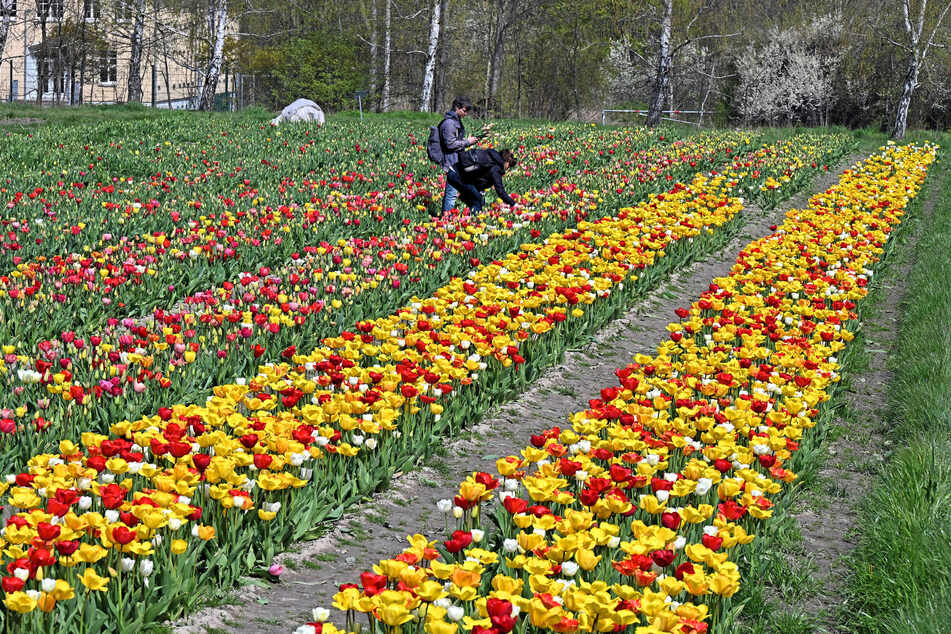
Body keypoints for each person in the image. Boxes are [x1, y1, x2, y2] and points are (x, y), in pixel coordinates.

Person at [437, 97, 480, 215]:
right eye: (464, 111)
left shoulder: (455, 121)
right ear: (457, 108)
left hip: (457, 161)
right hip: (451, 162)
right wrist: (467, 142)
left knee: (453, 191)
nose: (466, 114)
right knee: (452, 193)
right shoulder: (449, 123)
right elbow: (450, 144)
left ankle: (447, 218)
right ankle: (446, 219)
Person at [457, 148, 518, 213]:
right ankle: (472, 219)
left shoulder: (492, 157)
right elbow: (500, 191)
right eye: (509, 165)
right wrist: (513, 204)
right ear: (506, 161)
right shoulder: (496, 168)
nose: (508, 168)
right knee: (478, 203)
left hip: (461, 173)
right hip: (463, 179)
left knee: (478, 202)